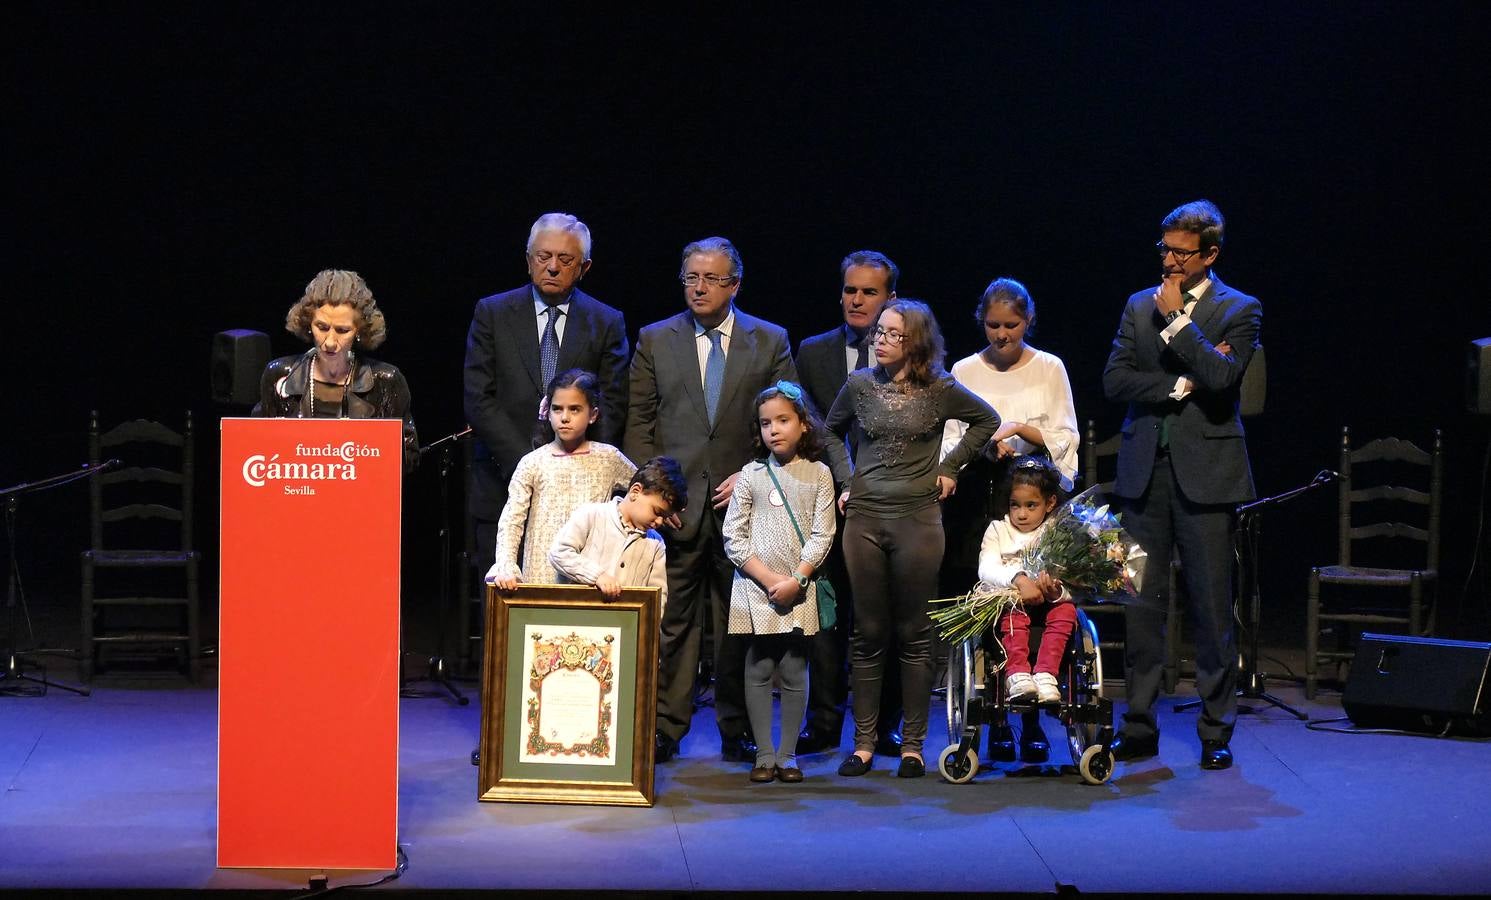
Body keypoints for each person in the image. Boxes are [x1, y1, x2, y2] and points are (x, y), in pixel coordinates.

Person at [625, 237, 799, 765]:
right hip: (675, 508)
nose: (698, 288)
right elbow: (640, 419)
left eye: (711, 279)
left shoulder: (769, 340)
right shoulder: (656, 338)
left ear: (735, 285)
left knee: (735, 623)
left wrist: (750, 476)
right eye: (690, 277)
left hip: (738, 508)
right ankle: (665, 728)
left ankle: (737, 727)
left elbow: (786, 421)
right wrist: (657, 490)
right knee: (672, 621)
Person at [1101, 199, 1261, 771]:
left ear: (1209, 255)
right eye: (1164, 248)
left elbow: (1221, 378)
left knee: (1212, 610)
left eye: (1180, 252)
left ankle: (1216, 731)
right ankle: (1139, 725)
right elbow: (1115, 379)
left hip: (1208, 479)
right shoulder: (1136, 304)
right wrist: (1175, 386)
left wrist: (1178, 324)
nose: (1168, 259)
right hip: (1146, 474)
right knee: (1141, 605)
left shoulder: (1240, 309)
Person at [825, 300, 1000, 778]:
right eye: (878, 332)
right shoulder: (860, 385)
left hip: (917, 520)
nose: (879, 339)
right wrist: (846, 480)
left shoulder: (940, 390)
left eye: (892, 333)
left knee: (915, 633)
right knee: (868, 633)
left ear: (915, 342)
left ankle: (914, 745)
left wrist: (949, 467)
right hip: (864, 517)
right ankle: (862, 744)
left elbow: (987, 420)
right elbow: (829, 432)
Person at [939, 276, 1079, 762]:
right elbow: (951, 439)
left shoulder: (1049, 367)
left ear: (1028, 321)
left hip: (1034, 494)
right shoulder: (963, 369)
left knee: (1039, 610)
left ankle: (1036, 722)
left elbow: (1066, 438)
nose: (1001, 335)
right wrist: (984, 443)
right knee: (998, 615)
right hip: (983, 497)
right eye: (993, 325)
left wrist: (1021, 431)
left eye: (1011, 326)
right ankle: (998, 717)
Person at [464, 213, 630, 572]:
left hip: (580, 494)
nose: (552, 267)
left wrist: (572, 467)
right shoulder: (492, 313)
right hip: (502, 481)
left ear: (584, 267)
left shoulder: (606, 321)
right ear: (528, 261)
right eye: (543, 257)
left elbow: (613, 403)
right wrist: (530, 465)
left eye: (565, 259)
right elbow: (479, 397)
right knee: (501, 608)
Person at [794, 250, 904, 757]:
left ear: (891, 299)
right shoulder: (813, 352)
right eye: (850, 290)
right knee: (827, 616)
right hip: (828, 503)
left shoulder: (909, 354)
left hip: (892, 504)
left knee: (884, 617)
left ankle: (884, 725)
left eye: (870, 292)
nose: (857, 300)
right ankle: (824, 720)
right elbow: (812, 428)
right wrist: (843, 482)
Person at [723, 383, 837, 784]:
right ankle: (764, 755)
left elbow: (824, 534)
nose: (774, 429)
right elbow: (733, 536)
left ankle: (788, 755)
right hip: (757, 588)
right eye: (766, 423)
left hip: (798, 589)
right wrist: (770, 579)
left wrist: (797, 579)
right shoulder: (752, 475)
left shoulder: (819, 474)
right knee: (758, 665)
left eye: (783, 420)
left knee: (793, 667)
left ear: (803, 425)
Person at [485, 369, 635, 589]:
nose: (565, 417)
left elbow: (641, 488)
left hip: (593, 577)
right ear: (547, 411)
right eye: (557, 409)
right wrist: (506, 565)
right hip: (542, 574)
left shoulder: (608, 458)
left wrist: (661, 502)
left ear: (592, 414)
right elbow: (512, 520)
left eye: (575, 409)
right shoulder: (533, 462)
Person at [257, 269, 418, 470]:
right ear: (309, 324)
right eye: (322, 327)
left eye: (342, 331)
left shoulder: (385, 381)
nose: (330, 342)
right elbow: (259, 451)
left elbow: (406, 463)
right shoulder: (279, 375)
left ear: (359, 330)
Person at [977, 457, 1075, 706]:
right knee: (1014, 610)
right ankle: (1018, 674)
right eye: (1015, 505)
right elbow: (987, 568)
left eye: (1031, 505)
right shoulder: (998, 530)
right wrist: (1019, 580)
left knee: (1066, 610)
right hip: (1011, 599)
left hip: (1046, 604)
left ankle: (1045, 675)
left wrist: (1056, 591)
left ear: (1050, 503)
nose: (1021, 514)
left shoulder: (1055, 532)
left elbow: (1072, 580)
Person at [548, 457, 687, 615]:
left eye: (665, 517)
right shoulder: (592, 515)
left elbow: (657, 596)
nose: (659, 521)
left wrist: (649, 631)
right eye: (657, 512)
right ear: (635, 491)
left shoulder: (656, 543)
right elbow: (559, 553)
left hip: (623, 628)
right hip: (578, 621)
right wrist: (597, 576)